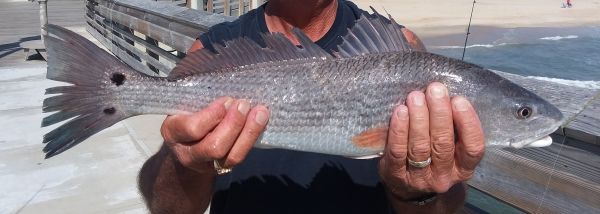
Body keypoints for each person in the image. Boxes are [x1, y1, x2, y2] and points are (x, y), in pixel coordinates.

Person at [138, 0, 485, 213]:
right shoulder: (215, 48)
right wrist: (185, 164)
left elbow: (442, 208)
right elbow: (167, 210)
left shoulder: (402, 49)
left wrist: (419, 190)